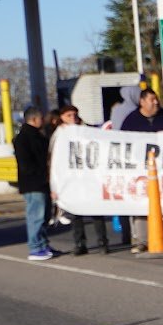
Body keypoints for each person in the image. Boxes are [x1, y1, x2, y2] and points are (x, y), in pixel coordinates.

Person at [120, 88, 163, 253]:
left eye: (156, 99)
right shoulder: (131, 120)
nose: (156, 102)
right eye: (152, 99)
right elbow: (122, 142)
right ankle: (140, 241)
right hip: (141, 173)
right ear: (142, 102)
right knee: (140, 206)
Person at [55, 104, 110, 255]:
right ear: (62, 118)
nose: (73, 118)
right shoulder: (59, 134)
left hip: (89, 177)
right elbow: (55, 158)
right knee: (75, 213)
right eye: (69, 116)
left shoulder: (87, 130)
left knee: (96, 211)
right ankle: (80, 243)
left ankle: (102, 242)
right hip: (71, 179)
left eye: (74, 115)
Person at [14, 106, 55, 260]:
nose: (43, 121)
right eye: (41, 118)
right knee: (35, 215)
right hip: (33, 183)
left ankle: (43, 244)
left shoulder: (38, 136)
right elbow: (26, 165)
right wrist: (42, 174)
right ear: (35, 119)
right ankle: (35, 247)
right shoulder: (24, 138)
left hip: (41, 182)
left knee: (44, 215)